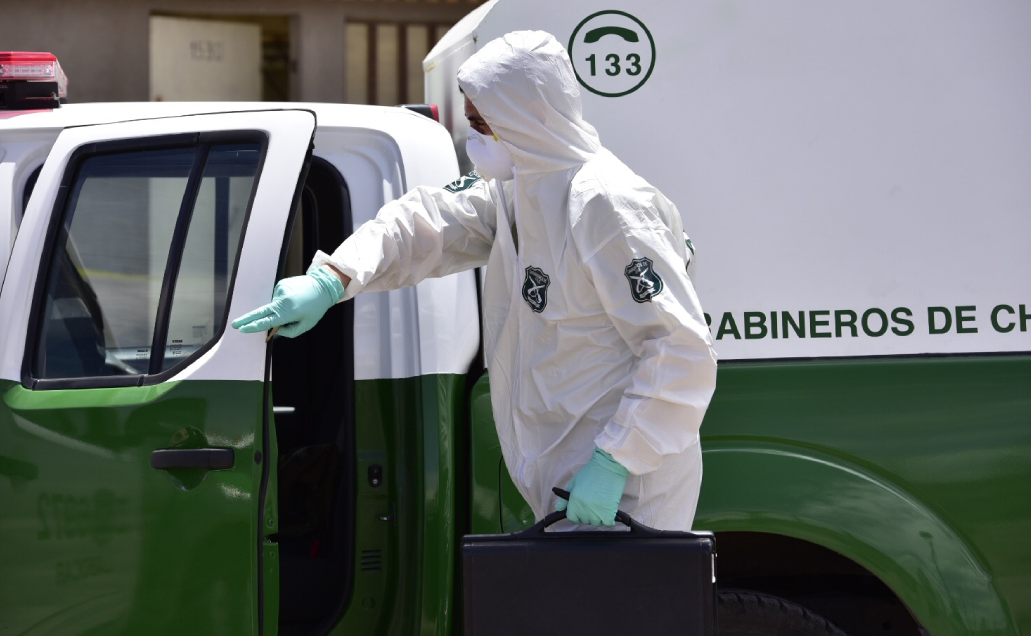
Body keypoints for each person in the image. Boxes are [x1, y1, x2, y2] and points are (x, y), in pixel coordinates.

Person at [232, 31, 717, 531]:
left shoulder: (605, 204)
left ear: (530, 118)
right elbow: (427, 223)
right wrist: (334, 277)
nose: (476, 138)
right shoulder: (518, 191)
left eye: (485, 124)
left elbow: (680, 350)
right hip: (571, 478)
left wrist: (618, 461)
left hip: (626, 489)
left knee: (629, 609)